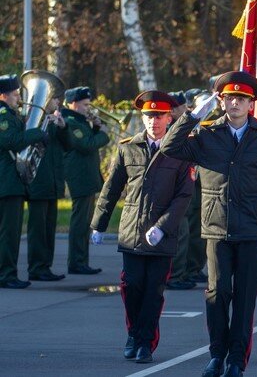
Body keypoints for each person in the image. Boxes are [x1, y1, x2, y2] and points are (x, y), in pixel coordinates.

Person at [161, 71, 257, 377]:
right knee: (217, 294)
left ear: (251, 104)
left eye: (241, 99)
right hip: (217, 226)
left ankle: (235, 360)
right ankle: (216, 354)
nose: (235, 103)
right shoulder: (207, 135)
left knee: (244, 297)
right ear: (221, 100)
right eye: (230, 98)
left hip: (253, 229)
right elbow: (169, 147)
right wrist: (191, 117)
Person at [90, 90, 193, 363]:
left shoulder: (180, 152)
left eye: (159, 116)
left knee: (153, 290)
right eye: (148, 116)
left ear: (169, 118)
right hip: (132, 231)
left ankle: (145, 342)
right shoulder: (128, 147)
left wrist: (163, 226)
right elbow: (111, 189)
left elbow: (184, 195)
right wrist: (99, 224)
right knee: (132, 286)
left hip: (163, 235)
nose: (153, 121)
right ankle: (134, 334)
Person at [0, 74, 47, 289]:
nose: (19, 98)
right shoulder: (2, 116)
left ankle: (8, 273)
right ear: (3, 96)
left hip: (12, 182)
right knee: (9, 233)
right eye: (16, 94)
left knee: (11, 232)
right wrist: (37, 132)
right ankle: (6, 275)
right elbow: (13, 141)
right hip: (7, 182)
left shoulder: (11, 115)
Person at [62, 86, 109, 274]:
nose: (88, 108)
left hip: (86, 175)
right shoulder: (70, 122)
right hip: (79, 176)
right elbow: (86, 145)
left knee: (85, 222)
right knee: (80, 222)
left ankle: (82, 261)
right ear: (73, 104)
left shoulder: (80, 121)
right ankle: (76, 262)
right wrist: (103, 133)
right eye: (85, 105)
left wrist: (96, 127)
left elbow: (89, 140)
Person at [27, 89, 70, 282]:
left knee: (49, 227)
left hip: (52, 181)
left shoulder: (53, 122)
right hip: (38, 181)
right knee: (38, 229)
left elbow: (68, 146)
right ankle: (36, 267)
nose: (58, 101)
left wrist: (62, 127)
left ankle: (45, 266)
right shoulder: (34, 120)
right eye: (54, 98)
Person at [164, 90, 196, 290]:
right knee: (180, 232)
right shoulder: (172, 131)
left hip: (184, 184)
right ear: (174, 110)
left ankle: (180, 273)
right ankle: (173, 275)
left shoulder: (179, 127)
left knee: (184, 233)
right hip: (173, 187)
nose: (186, 109)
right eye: (182, 107)